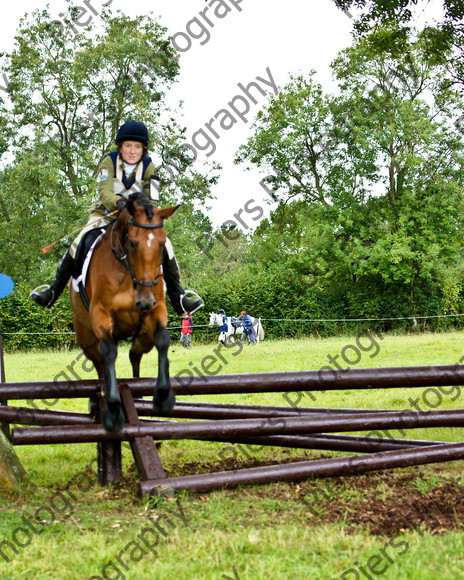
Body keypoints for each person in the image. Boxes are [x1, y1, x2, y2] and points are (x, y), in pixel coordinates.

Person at [30, 120, 204, 315]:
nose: (132, 151)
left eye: (137, 147)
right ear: (120, 147)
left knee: (166, 244)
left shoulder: (149, 166)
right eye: (128, 145)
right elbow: (104, 190)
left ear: (143, 149)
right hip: (105, 215)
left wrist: (136, 211)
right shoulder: (109, 161)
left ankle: (178, 297)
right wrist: (117, 202)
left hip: (136, 220)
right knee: (79, 241)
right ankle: (53, 290)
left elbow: (152, 199)